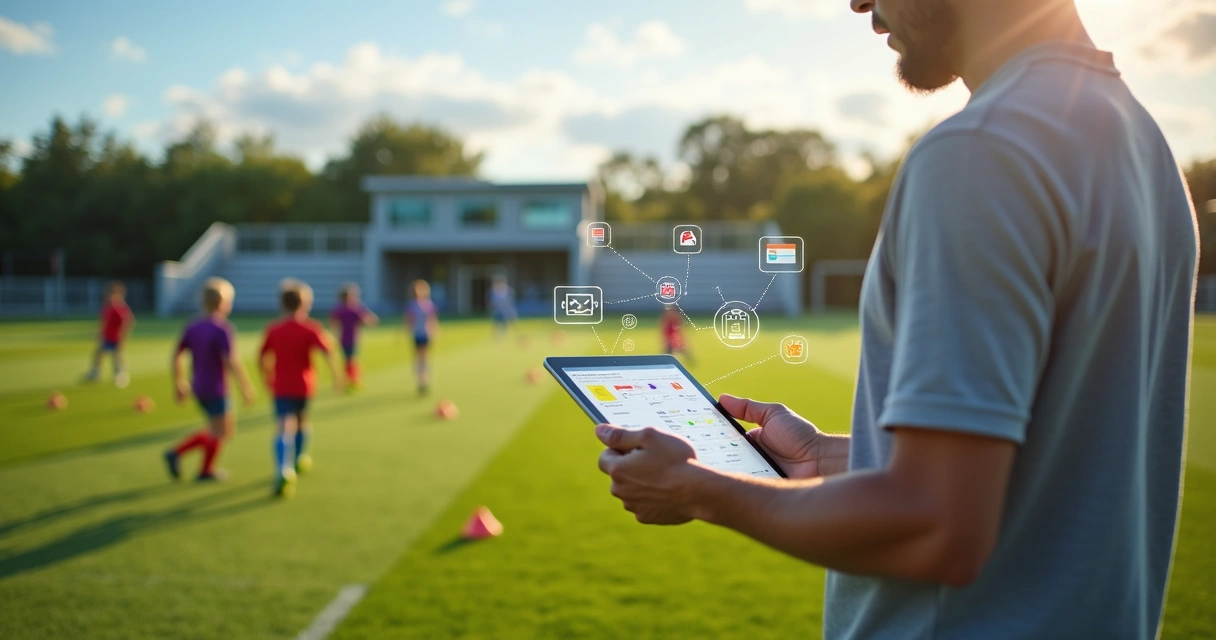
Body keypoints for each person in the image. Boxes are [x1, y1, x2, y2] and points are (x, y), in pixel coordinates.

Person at [592, 1, 1198, 638]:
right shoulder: (1139, 139)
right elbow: (1057, 469)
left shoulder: (979, 152)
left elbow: (936, 528)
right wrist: (835, 459)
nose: (858, 2)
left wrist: (699, 489)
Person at [164, 278, 255, 482]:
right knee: (222, 431)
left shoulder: (193, 326)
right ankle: (180, 454)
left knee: (218, 430)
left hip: (198, 386)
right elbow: (232, 361)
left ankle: (204, 468)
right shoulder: (222, 328)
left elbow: (176, 355)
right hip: (217, 387)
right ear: (222, 302)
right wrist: (246, 387)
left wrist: (179, 382)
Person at [259, 279, 343, 498]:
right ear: (305, 304)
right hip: (304, 386)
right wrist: (337, 377)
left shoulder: (274, 329)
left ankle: (283, 468)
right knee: (302, 420)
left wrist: (267, 377)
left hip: (281, 385)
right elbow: (328, 351)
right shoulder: (310, 328)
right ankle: (299, 458)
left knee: (283, 425)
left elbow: (262, 357)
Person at [84, 281, 135, 388]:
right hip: (107, 337)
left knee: (117, 357)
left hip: (116, 337)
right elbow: (103, 322)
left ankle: (121, 375)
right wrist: (99, 332)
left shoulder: (120, 308)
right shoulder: (107, 307)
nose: (109, 297)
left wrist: (123, 337)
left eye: (111, 295)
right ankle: (95, 373)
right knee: (98, 354)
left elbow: (128, 322)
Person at [329, 283, 379, 392]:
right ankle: (353, 381)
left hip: (342, 339)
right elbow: (371, 321)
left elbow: (332, 324)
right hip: (353, 339)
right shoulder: (355, 309)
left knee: (347, 360)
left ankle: (349, 380)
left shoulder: (339, 309)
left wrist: (334, 336)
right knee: (352, 361)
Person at [404, 279, 439, 396]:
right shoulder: (411, 305)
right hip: (416, 334)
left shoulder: (429, 304)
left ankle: (425, 379)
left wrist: (434, 331)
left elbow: (432, 319)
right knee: (418, 358)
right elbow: (408, 320)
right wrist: (405, 331)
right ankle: (420, 379)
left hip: (426, 333)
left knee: (425, 357)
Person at [487, 274, 516, 339]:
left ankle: (503, 335)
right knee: (496, 323)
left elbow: (511, 302)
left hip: (505, 310)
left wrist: (511, 311)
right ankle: (497, 336)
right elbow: (491, 301)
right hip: (497, 310)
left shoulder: (508, 290)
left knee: (504, 324)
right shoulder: (492, 291)